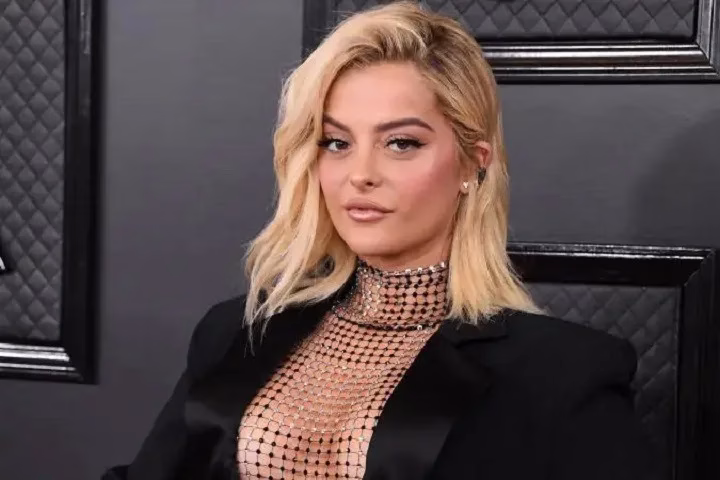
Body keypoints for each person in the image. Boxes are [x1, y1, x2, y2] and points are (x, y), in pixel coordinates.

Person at [103, 2, 658, 479]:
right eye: (336, 143)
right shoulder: (238, 330)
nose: (360, 174)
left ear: (473, 163)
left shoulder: (561, 373)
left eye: (401, 143)